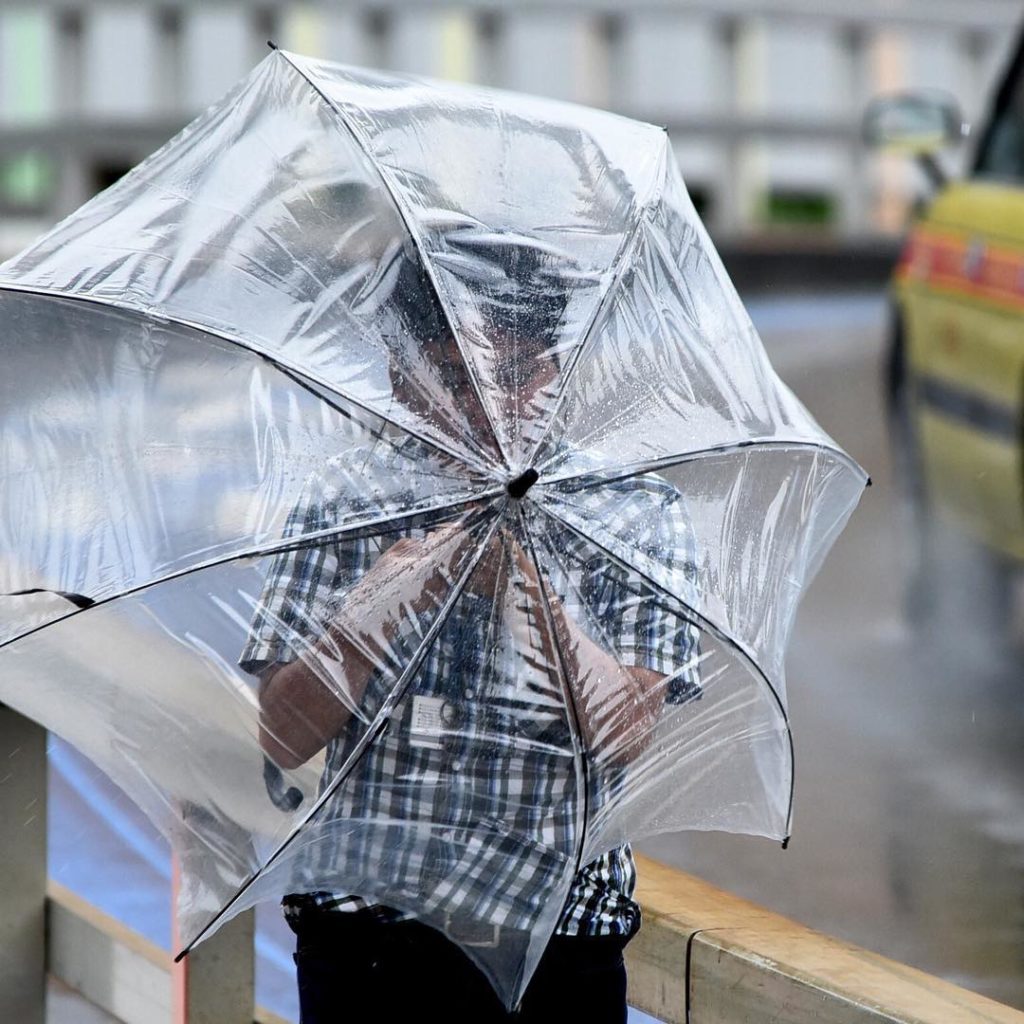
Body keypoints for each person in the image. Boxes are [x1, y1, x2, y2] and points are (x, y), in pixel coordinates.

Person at [239, 245, 699, 1024]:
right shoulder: (345, 503)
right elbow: (284, 737)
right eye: (454, 379)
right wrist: (383, 604)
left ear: (554, 374)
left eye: (515, 376)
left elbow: (622, 734)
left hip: (558, 937)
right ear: (401, 379)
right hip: (366, 936)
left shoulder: (634, 515)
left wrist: (534, 588)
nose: (486, 410)